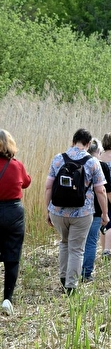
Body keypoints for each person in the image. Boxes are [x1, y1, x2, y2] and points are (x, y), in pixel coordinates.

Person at [45, 128, 109, 295]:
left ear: (73, 141)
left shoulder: (58, 158)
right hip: (82, 213)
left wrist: (48, 210)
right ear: (88, 144)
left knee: (64, 242)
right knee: (77, 248)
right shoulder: (93, 162)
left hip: (57, 211)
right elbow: (101, 191)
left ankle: (62, 276)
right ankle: (71, 285)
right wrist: (105, 213)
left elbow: (48, 187)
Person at [0, 130, 31, 316]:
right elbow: (26, 183)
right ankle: (7, 300)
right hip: (13, 213)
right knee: (12, 257)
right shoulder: (17, 165)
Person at [82, 138, 111, 282]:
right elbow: (107, 191)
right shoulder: (102, 166)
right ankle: (86, 274)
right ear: (98, 151)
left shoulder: (79, 163)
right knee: (91, 242)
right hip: (96, 210)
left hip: (78, 210)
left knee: (77, 243)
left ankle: (72, 272)